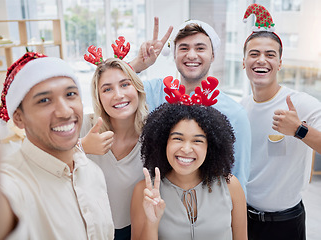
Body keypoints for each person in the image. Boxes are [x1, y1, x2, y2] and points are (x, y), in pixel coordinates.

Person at [0, 52, 114, 240]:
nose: (65, 111)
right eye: (44, 100)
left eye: (70, 94)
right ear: (19, 118)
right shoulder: (14, 181)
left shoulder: (92, 172)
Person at [130, 18, 251, 193]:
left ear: (213, 55)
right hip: (157, 204)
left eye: (200, 48)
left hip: (210, 209)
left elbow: (238, 177)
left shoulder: (234, 113)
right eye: (184, 48)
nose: (191, 55)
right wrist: (137, 65)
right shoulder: (154, 92)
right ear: (174, 54)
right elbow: (108, 89)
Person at [241, 3, 321, 240]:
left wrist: (299, 130)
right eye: (254, 54)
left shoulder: (300, 103)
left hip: (286, 223)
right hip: (244, 218)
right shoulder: (241, 108)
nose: (261, 60)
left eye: (270, 54)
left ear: (280, 63)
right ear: (243, 61)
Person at [130, 101, 247, 240]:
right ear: (163, 142)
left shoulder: (230, 185)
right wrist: (152, 223)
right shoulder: (145, 192)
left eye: (197, 141)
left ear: (210, 147)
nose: (186, 149)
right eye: (178, 138)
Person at [80, 47, 148, 239]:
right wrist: (82, 147)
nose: (118, 95)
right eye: (107, 89)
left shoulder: (154, 133)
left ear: (137, 88)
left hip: (135, 229)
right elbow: (43, 156)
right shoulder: (85, 126)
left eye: (125, 84)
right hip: (89, 231)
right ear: (99, 97)